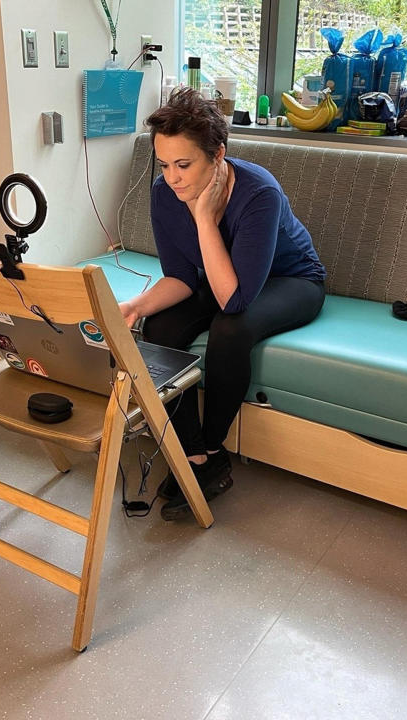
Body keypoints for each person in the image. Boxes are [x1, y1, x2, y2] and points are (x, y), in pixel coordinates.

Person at [119, 88, 326, 521]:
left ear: (218, 156)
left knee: (230, 331)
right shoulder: (164, 193)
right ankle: (193, 454)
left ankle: (214, 449)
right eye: (164, 165)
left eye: (184, 165)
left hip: (291, 281)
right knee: (159, 328)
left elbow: (233, 301)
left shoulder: (258, 193)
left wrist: (202, 217)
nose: (172, 178)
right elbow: (180, 277)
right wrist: (137, 306)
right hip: (217, 279)